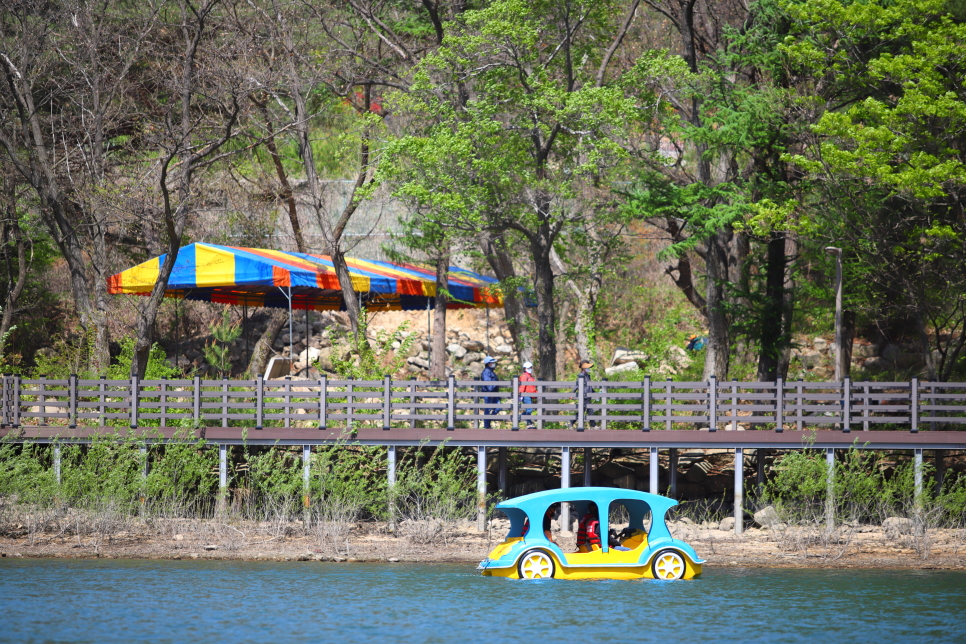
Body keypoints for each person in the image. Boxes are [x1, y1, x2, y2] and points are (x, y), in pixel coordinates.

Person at [572, 360, 596, 428]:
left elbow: (589, 386)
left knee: (581, 411)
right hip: (584, 395)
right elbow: (577, 385)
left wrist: (595, 393)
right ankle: (593, 426)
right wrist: (572, 393)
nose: (588, 369)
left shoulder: (587, 376)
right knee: (590, 410)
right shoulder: (581, 375)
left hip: (588, 395)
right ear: (583, 367)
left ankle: (570, 422)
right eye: (587, 367)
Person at [481, 356, 499, 428]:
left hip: (494, 393)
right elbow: (488, 383)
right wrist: (490, 392)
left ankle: (488, 421)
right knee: (488, 409)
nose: (494, 363)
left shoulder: (491, 372)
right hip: (489, 393)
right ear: (489, 364)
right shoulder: (486, 372)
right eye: (492, 362)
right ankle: (486, 426)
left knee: (498, 407)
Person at [518, 361, 537, 429]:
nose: (530, 369)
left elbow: (532, 387)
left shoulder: (530, 377)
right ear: (525, 369)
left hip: (530, 395)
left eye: (531, 367)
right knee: (529, 410)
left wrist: (537, 393)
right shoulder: (524, 376)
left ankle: (519, 419)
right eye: (528, 368)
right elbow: (522, 386)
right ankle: (528, 423)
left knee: (529, 409)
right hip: (526, 395)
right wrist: (520, 394)